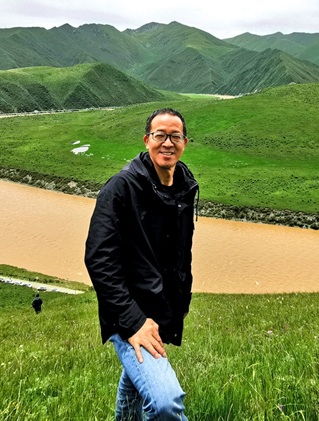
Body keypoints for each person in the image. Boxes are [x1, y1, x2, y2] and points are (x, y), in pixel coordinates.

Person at [85, 108, 199, 420]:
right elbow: (98, 258)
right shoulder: (121, 188)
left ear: (185, 143)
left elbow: (179, 253)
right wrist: (134, 321)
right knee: (165, 402)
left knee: (136, 382)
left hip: (160, 311)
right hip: (129, 315)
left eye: (175, 136)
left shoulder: (184, 186)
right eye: (160, 135)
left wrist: (178, 304)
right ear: (147, 140)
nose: (168, 143)